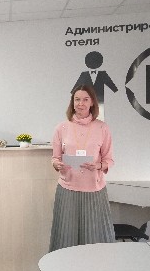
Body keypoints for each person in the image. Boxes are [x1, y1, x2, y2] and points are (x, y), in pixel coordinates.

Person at [49, 84, 115, 252]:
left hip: (94, 191)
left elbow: (109, 160)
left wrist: (98, 165)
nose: (81, 103)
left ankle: (95, 269)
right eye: (77, 99)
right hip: (67, 190)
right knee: (65, 238)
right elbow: (55, 158)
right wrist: (56, 164)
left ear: (92, 102)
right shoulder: (61, 128)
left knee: (94, 240)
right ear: (72, 102)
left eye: (85, 99)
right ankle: (65, 269)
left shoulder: (102, 128)